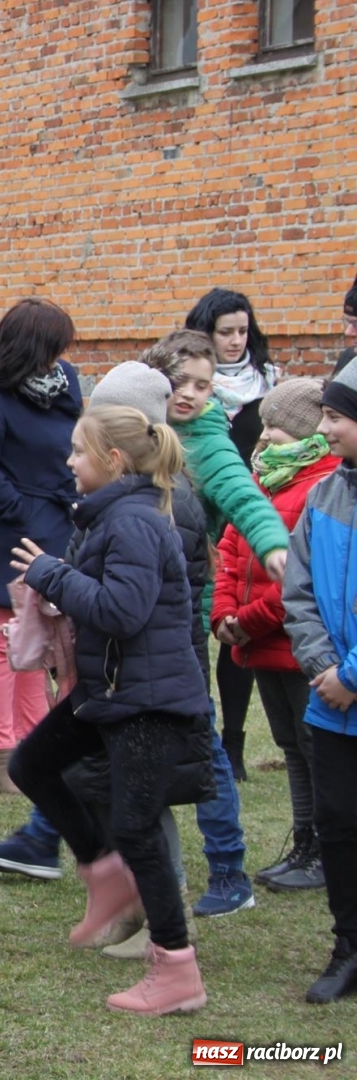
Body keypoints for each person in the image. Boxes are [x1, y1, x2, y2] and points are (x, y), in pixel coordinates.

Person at [8, 406, 212, 1016]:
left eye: (78, 451)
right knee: (33, 765)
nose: (68, 461)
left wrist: (52, 574)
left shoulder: (135, 524)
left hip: (149, 701)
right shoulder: (111, 517)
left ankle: (176, 970)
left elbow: (123, 610)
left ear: (114, 460)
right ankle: (104, 877)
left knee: (137, 828)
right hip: (112, 692)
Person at [136, 329, 288, 917]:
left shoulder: (207, 445)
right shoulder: (134, 432)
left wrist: (273, 544)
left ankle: (229, 871)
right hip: (121, 612)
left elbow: (248, 501)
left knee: (200, 745)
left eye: (205, 384)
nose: (194, 395)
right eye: (183, 383)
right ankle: (49, 834)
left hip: (178, 621)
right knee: (93, 723)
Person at [213, 377, 335, 893]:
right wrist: (222, 612)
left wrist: (247, 621)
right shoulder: (265, 481)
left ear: (307, 434)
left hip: (298, 647)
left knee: (315, 749)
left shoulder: (321, 488)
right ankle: (305, 841)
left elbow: (302, 579)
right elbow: (230, 548)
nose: (262, 441)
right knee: (289, 745)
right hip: (259, 644)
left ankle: (329, 849)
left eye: (275, 430)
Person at [0, 298, 82, 793]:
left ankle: (33, 744)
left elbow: (73, 440)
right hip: (8, 530)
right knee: (0, 640)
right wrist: (22, 512)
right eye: (52, 349)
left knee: (38, 641)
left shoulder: (64, 382)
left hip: (56, 523)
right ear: (30, 348)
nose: (59, 359)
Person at [283, 361, 357, 1004]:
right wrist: (324, 670)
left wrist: (353, 675)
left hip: (348, 685)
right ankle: (347, 945)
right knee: (336, 822)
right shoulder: (326, 494)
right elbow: (298, 590)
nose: (325, 428)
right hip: (329, 699)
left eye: (336, 415)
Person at [186, 289, 279, 783]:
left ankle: (234, 743)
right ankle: (202, 741)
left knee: (236, 630)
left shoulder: (267, 382)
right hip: (202, 522)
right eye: (225, 332)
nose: (236, 341)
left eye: (243, 330)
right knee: (199, 627)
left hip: (246, 516)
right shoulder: (189, 392)